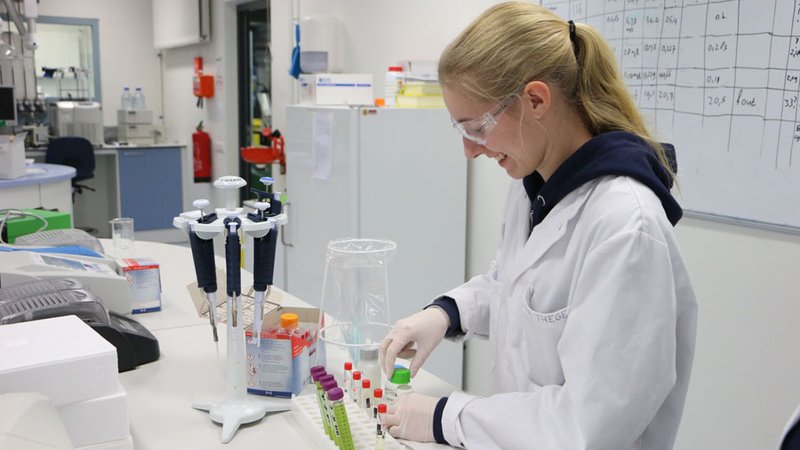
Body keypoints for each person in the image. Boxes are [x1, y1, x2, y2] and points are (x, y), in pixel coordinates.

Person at [378, 2, 698, 449]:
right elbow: (515, 288)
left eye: (477, 127)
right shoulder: (535, 185)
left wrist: (444, 417)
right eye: (460, 130)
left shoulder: (626, 225)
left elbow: (586, 425)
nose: (470, 150)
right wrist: (447, 313)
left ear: (536, 100)